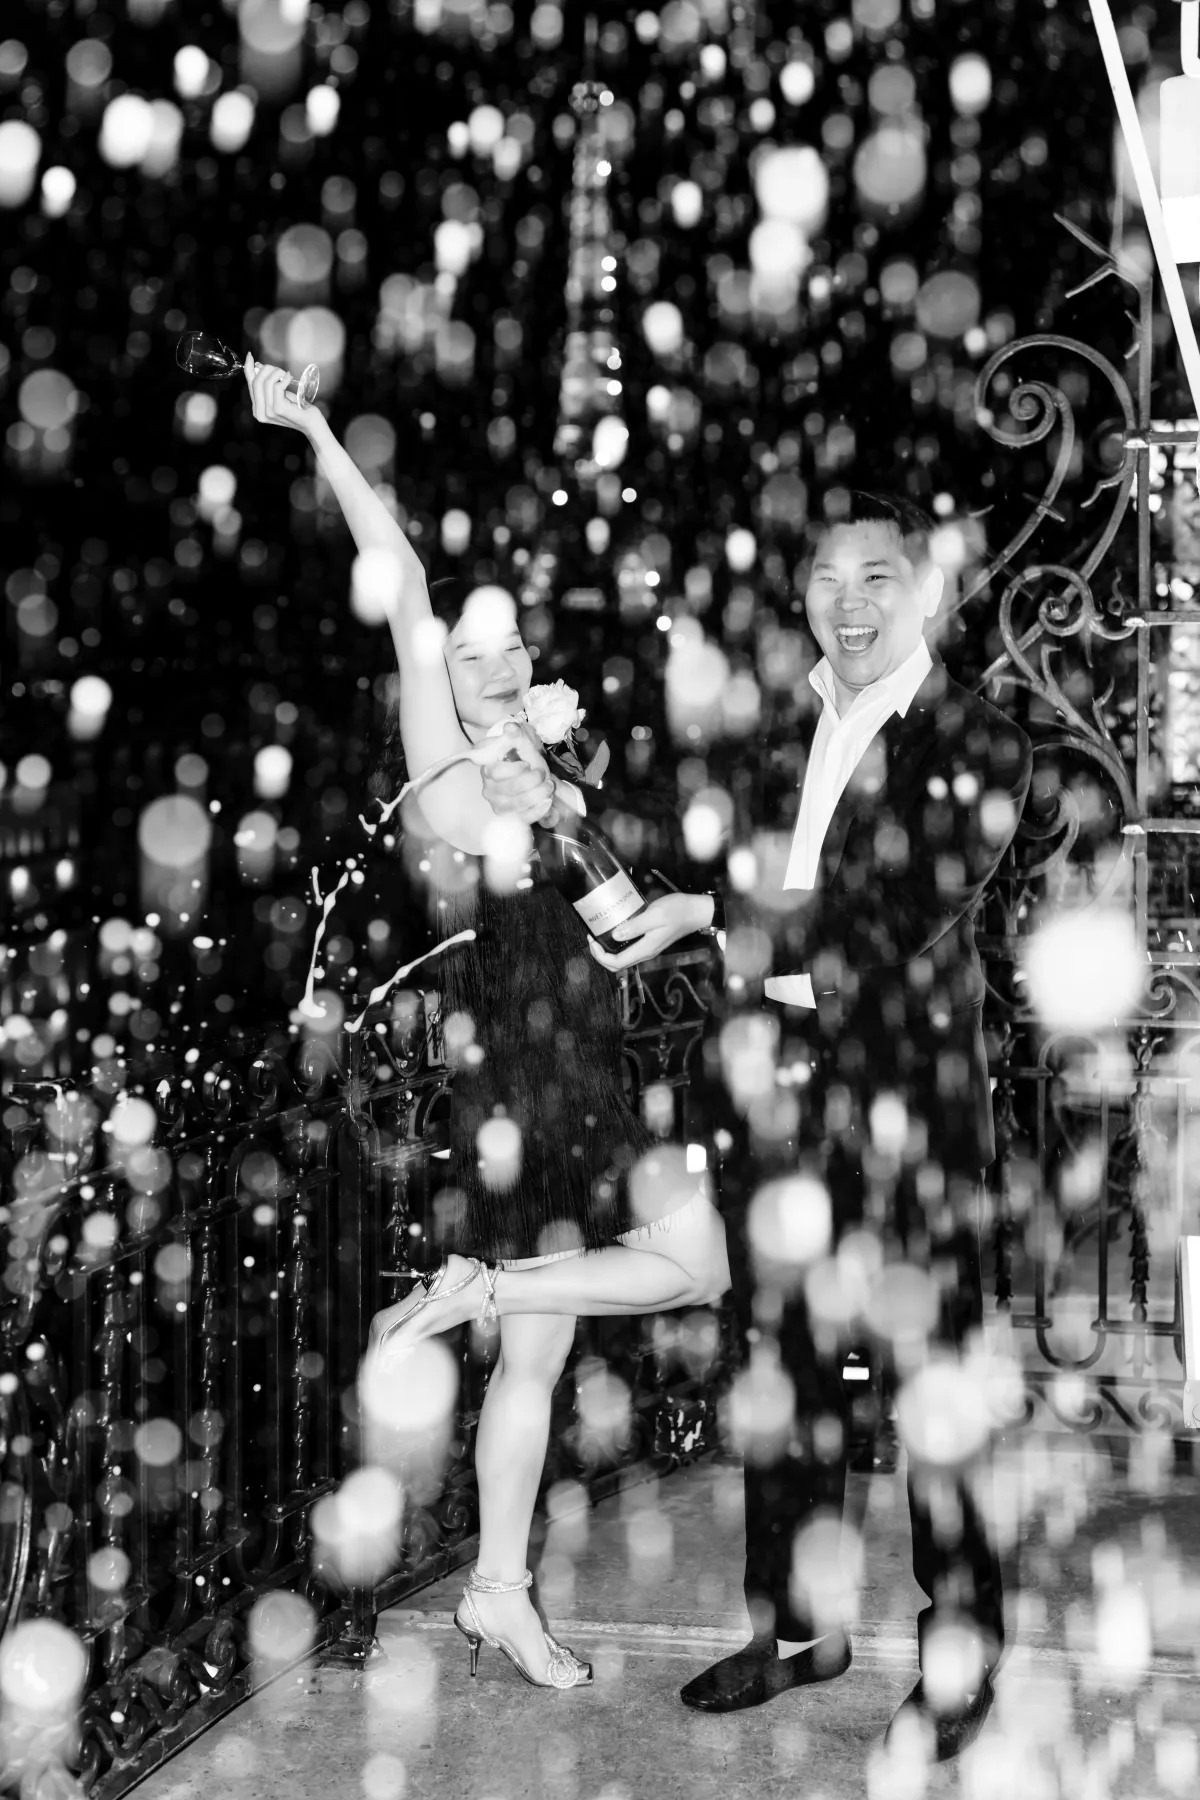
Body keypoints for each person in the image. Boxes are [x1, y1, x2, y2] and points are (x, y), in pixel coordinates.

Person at [244, 356, 729, 1692]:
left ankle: (497, 1591)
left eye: (513, 643)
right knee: (695, 1267)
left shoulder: (537, 755)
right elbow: (403, 582)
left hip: (559, 1073)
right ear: (439, 677)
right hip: (543, 1081)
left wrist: (574, 778)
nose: (502, 660)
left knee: (539, 1358)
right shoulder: (451, 771)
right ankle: (472, 1293)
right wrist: (317, 431)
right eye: (473, 653)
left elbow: (611, 909)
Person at [592, 492, 1033, 1761]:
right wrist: (574, 787)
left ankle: (963, 1662)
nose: (850, 602)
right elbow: (696, 833)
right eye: (828, 579)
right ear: (802, 597)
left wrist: (710, 918)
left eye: (877, 576)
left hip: (906, 1127)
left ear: (925, 592)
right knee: (786, 1381)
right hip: (777, 1109)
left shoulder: (978, 740)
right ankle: (798, 1631)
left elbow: (885, 915)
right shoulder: (782, 734)